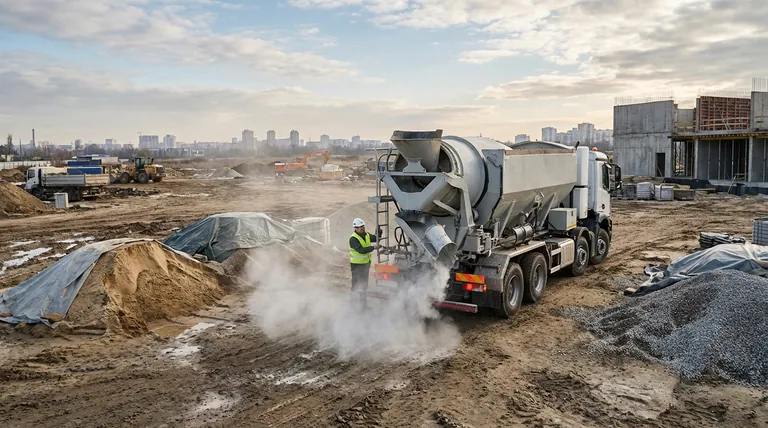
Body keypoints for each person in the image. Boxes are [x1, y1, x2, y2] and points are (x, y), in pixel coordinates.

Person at [348, 217, 381, 308]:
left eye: (363, 226)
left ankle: (363, 305)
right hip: (357, 266)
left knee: (364, 286)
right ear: (355, 228)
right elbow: (361, 250)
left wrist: (379, 233)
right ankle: (353, 304)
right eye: (360, 227)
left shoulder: (366, 235)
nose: (362, 228)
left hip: (365, 265)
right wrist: (373, 248)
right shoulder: (353, 239)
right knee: (356, 285)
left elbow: (375, 238)